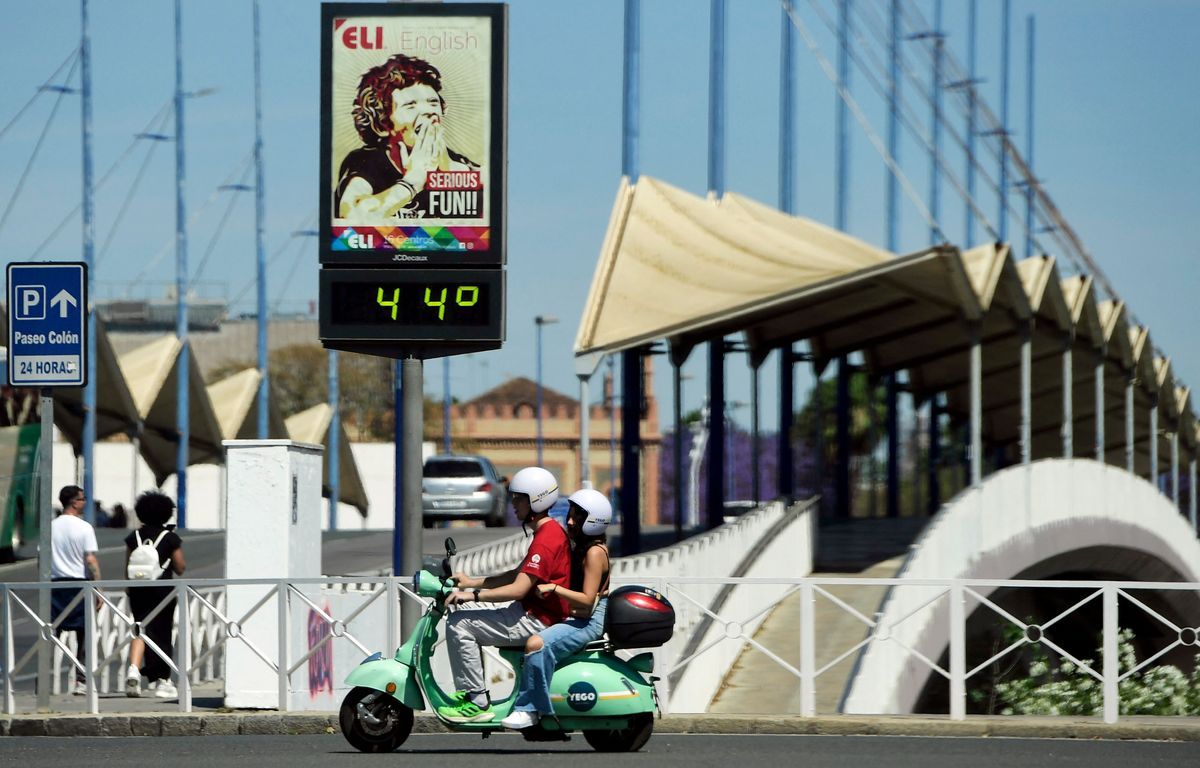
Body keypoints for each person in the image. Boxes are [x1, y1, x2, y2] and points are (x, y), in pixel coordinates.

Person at [437, 466, 571, 722]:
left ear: (536, 500)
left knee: (459, 624)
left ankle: (475, 700)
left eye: (518, 498)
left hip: (537, 619)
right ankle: (472, 694)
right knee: (462, 613)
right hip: (530, 612)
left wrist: (473, 595)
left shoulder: (546, 539)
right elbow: (518, 573)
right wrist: (471, 581)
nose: (513, 504)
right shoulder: (547, 532)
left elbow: (519, 588)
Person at [501, 488, 612, 730]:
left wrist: (555, 588)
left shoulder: (594, 553)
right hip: (580, 617)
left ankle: (529, 710)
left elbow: (586, 599)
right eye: (570, 515)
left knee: (535, 644)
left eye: (578, 517)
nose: (570, 521)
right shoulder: (584, 547)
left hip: (589, 621)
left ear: (594, 521)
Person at [334, 52, 480, 222]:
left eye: (433, 102)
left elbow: (494, 195)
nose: (429, 111)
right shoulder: (366, 162)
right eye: (411, 105)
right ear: (382, 123)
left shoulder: (453, 160)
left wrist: (450, 171)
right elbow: (352, 215)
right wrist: (413, 182)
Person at [123, 491, 185, 699]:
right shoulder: (170, 538)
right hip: (162, 592)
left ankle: (133, 669)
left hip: (138, 590)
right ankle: (163, 681)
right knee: (162, 633)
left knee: (139, 628)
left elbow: (127, 565)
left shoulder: (135, 537)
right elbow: (180, 567)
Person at [50, 485, 101, 695]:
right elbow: (90, 559)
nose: (85, 502)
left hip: (53, 585)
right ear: (74, 502)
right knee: (85, 634)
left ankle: (44, 679)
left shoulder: (50, 526)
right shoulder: (84, 527)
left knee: (51, 634)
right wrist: (98, 588)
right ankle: (81, 680)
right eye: (83, 498)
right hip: (78, 585)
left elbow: (41, 558)